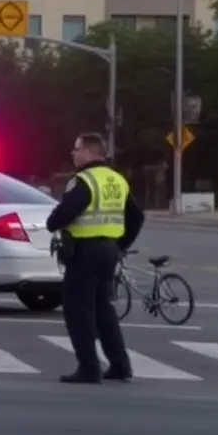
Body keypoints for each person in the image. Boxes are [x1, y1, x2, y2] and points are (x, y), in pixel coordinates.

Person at [46, 132, 144, 384]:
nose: (73, 154)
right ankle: (120, 365)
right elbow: (137, 216)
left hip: (84, 252)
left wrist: (52, 222)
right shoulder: (117, 179)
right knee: (103, 309)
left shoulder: (84, 180)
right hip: (108, 251)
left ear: (88, 153)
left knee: (78, 310)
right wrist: (120, 245)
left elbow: (66, 212)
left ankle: (89, 367)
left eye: (76, 149)